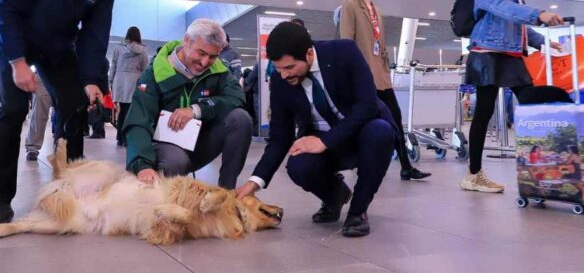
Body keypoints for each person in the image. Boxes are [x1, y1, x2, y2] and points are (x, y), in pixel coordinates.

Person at [0, 0, 119, 227]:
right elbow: (5, 10)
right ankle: (1, 200)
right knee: (13, 109)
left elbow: (96, 33)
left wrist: (91, 79)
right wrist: (17, 63)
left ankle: (70, 190)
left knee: (74, 105)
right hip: (15, 40)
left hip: (58, 45)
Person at [235, 22, 398, 237]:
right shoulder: (280, 80)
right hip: (322, 138)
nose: (284, 75)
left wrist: (324, 142)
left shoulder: (344, 52)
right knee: (299, 165)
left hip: (363, 130)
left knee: (380, 132)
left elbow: (367, 106)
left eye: (290, 67)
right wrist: (254, 182)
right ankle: (335, 196)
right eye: (279, 68)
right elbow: (280, 138)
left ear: (309, 54)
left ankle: (358, 212)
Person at [461, 0, 563, 193]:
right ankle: (473, 175)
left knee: (530, 100)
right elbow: (499, 7)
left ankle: (547, 166)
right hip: (487, 52)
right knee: (483, 112)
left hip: (510, 54)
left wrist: (542, 41)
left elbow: (515, 22)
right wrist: (538, 14)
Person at [122, 18, 252, 189]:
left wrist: (197, 110)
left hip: (200, 144)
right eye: (201, 53)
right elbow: (139, 120)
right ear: (186, 41)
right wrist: (142, 165)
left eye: (213, 56)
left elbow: (236, 97)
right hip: (164, 150)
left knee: (241, 119)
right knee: (175, 162)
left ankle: (226, 194)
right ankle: (164, 202)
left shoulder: (219, 70)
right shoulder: (153, 74)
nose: (205, 62)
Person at [340, 0, 430, 181]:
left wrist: (386, 67)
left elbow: (380, 45)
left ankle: (406, 166)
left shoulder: (376, 10)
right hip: (362, 76)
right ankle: (358, 164)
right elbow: (346, 42)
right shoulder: (350, 6)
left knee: (395, 119)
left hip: (381, 75)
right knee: (364, 122)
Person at [108, 26, 148, 146]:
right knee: (131, 112)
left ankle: (120, 137)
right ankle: (127, 138)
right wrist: (144, 88)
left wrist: (111, 81)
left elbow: (113, 66)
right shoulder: (143, 50)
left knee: (122, 111)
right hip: (134, 82)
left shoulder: (118, 48)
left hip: (120, 82)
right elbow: (145, 70)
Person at [24, 72, 53, 161]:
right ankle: (32, 146)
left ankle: (69, 146)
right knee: (39, 111)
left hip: (68, 71)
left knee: (68, 111)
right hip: (44, 71)